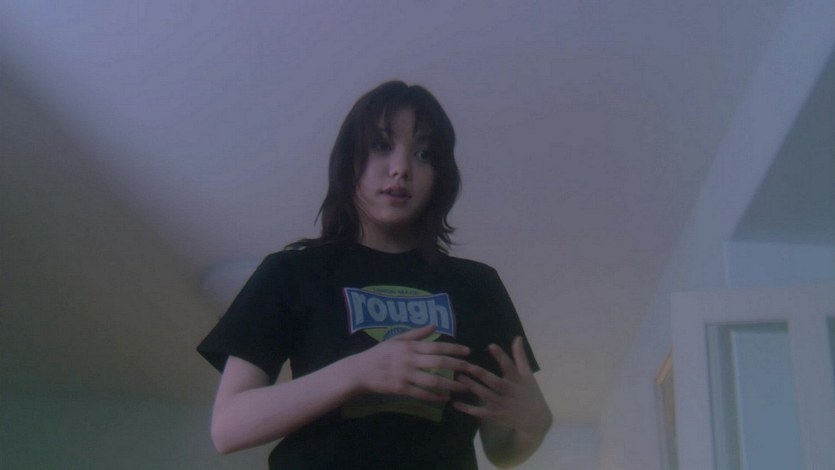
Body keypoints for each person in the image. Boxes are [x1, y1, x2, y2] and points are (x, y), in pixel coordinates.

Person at [197, 81, 552, 469]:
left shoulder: (478, 286)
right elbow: (228, 428)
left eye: (424, 153)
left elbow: (501, 450)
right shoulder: (291, 272)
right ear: (349, 159)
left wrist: (533, 427)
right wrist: (359, 371)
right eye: (381, 146)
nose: (401, 169)